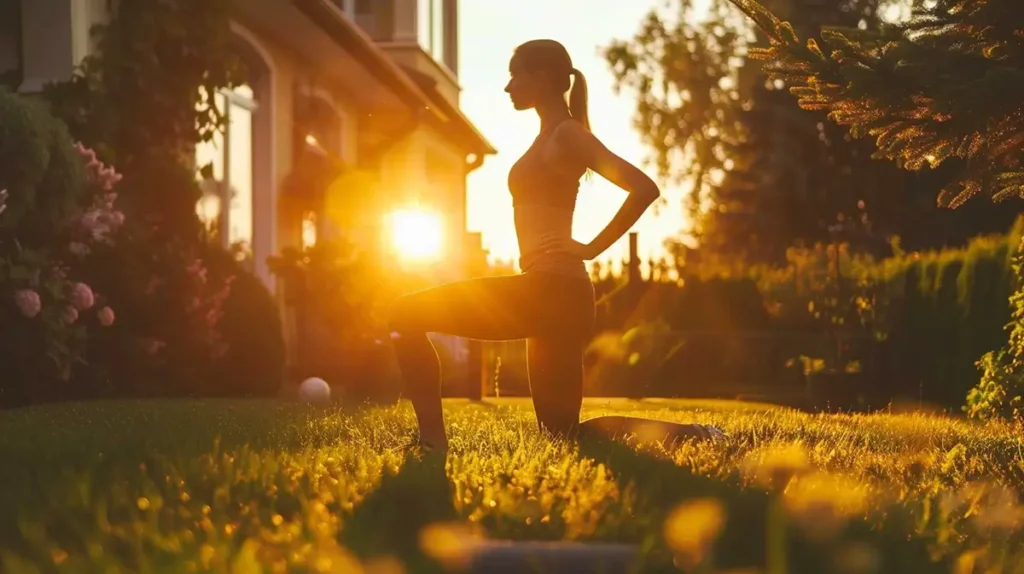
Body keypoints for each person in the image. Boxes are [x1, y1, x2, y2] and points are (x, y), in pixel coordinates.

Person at [389, 39, 722, 453]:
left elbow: (643, 188)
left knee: (404, 312)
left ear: (543, 77)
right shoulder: (552, 134)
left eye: (516, 75)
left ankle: (432, 442)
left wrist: (589, 248)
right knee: (563, 434)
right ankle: (695, 435)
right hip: (555, 296)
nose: (508, 87)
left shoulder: (568, 134)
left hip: (552, 290)